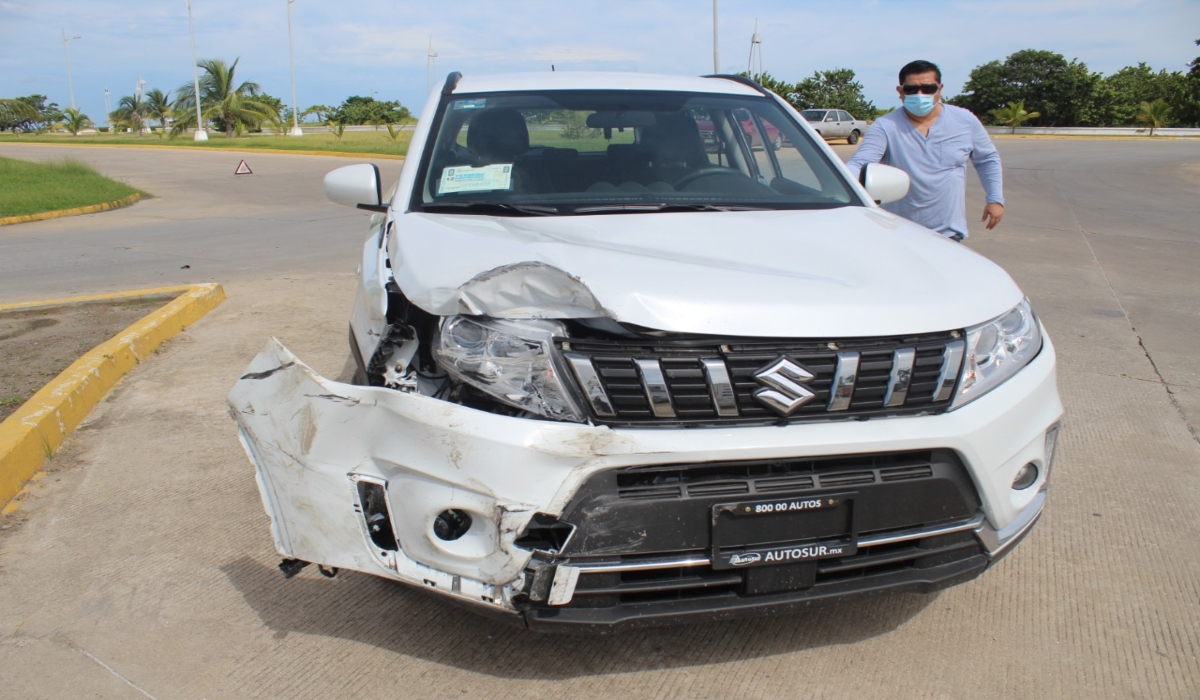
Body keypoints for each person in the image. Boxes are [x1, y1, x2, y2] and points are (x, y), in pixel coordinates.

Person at [846, 60, 1004, 241]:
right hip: (899, 232)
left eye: (928, 88)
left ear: (940, 89)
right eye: (911, 89)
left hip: (949, 233)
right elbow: (860, 162)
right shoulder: (885, 126)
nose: (920, 95)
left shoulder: (964, 120)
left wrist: (995, 199)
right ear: (900, 92)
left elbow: (987, 159)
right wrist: (840, 189)